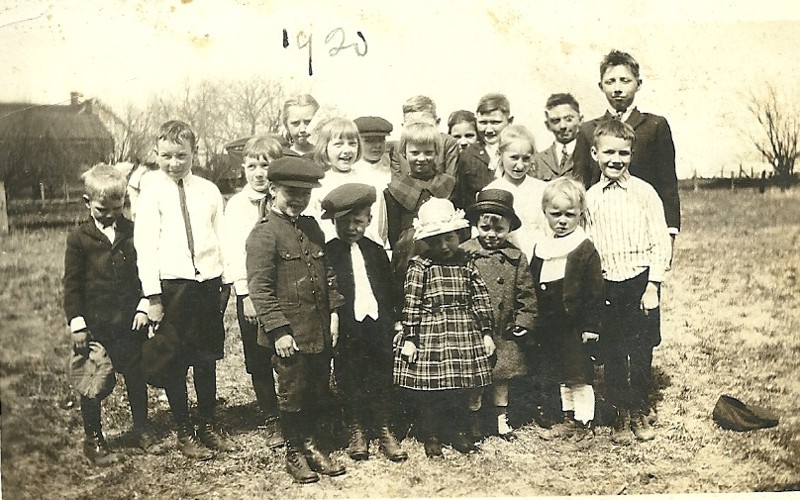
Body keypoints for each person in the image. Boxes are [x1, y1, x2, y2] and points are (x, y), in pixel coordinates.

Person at [134, 120, 233, 460]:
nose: (174, 163)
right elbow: (145, 245)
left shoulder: (208, 190)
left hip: (207, 285)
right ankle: (184, 430)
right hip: (172, 287)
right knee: (176, 360)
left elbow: (222, 238)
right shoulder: (151, 191)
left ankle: (208, 423)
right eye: (166, 156)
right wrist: (153, 297)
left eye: (181, 155)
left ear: (194, 152)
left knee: (206, 359)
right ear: (156, 154)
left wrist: (226, 282)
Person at [246, 157, 346, 484]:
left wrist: (333, 313)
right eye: (291, 192)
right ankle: (294, 451)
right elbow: (259, 289)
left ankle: (313, 444)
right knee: (292, 392)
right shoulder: (264, 235)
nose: (298, 199)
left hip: (318, 328)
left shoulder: (312, 227)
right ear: (273, 190)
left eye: (305, 194)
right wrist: (278, 331)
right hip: (289, 334)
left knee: (317, 387)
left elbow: (328, 274)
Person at [584, 120, 672, 445]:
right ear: (595, 153)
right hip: (608, 284)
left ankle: (639, 406)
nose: (615, 159)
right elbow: (589, 247)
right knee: (614, 352)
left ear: (632, 155)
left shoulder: (645, 193)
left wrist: (653, 286)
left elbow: (660, 241)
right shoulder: (590, 199)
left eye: (623, 153)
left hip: (639, 282)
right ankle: (621, 411)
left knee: (641, 351)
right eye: (608, 152)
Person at [63, 163, 153, 465]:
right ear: (88, 203)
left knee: (135, 374)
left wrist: (144, 305)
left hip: (130, 321)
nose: (111, 214)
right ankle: (94, 438)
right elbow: (72, 284)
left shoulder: (132, 231)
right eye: (103, 209)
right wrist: (77, 323)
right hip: (97, 325)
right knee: (93, 379)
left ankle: (141, 428)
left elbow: (145, 273)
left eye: (118, 206)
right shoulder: (79, 239)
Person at [394, 198, 496, 458]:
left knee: (460, 387)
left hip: (463, 332)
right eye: (436, 241)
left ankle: (457, 430)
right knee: (433, 391)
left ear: (459, 235)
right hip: (432, 333)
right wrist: (410, 337)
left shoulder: (466, 263)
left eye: (449, 238)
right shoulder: (421, 266)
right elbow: (412, 303)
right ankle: (432, 434)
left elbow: (480, 298)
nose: (443, 246)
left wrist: (485, 332)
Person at [322, 183, 408, 463]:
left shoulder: (375, 250)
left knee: (381, 373)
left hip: (377, 323)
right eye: (343, 222)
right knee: (349, 374)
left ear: (369, 220)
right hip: (349, 326)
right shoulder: (329, 252)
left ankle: (383, 427)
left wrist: (395, 321)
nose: (350, 228)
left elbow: (389, 287)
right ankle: (357, 428)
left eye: (357, 222)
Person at [572, 49, 680, 242]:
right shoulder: (588, 130)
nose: (617, 88)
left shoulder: (655, 126)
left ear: (638, 84)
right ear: (600, 86)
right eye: (610, 82)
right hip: (601, 226)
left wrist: (670, 231)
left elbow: (667, 184)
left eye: (625, 80)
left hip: (643, 224)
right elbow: (580, 184)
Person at [531, 178, 604, 447]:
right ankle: (569, 417)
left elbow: (595, 291)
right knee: (562, 373)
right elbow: (534, 281)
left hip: (574, 324)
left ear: (580, 214)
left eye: (569, 215)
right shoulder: (542, 246)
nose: (562, 221)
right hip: (551, 325)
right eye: (556, 214)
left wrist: (591, 326)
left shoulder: (583, 248)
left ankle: (585, 422)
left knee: (579, 375)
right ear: (546, 213)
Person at [222, 135, 284, 449]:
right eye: (252, 166)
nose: (258, 173)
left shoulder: (283, 200)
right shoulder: (235, 206)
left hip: (284, 287)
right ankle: (271, 415)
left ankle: (292, 411)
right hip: (252, 292)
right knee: (258, 357)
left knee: (286, 351)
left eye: (266, 166)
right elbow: (232, 252)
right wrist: (244, 294)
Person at [461, 189, 536, 440]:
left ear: (509, 229)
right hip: (474, 329)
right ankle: (474, 419)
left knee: (502, 377)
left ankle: (501, 420)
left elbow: (526, 293)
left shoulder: (516, 258)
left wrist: (524, 320)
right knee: (475, 377)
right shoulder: (465, 255)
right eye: (485, 229)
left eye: (499, 230)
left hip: (505, 329)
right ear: (476, 225)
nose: (491, 235)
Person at [384, 121, 444, 285]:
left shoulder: (448, 184)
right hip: (408, 258)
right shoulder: (394, 190)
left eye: (428, 152)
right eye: (415, 152)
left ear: (437, 152)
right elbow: (393, 233)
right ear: (404, 152)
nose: (422, 158)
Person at [484, 125, 548, 259]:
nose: (520, 165)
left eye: (526, 158)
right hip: (505, 260)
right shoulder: (490, 191)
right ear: (499, 155)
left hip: (540, 258)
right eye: (514, 157)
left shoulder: (542, 189)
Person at [389, 95, 460, 201]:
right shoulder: (398, 147)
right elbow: (396, 184)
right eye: (412, 125)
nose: (419, 129)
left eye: (425, 124)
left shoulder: (448, 143)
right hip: (407, 200)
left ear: (437, 122)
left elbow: (450, 181)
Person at [452, 93, 514, 209]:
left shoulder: (517, 151)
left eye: (495, 122)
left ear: (509, 121)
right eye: (483, 123)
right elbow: (461, 197)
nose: (489, 130)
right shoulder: (468, 155)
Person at [533, 93, 583, 181]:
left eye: (568, 119)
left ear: (580, 120)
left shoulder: (589, 156)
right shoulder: (538, 160)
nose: (563, 126)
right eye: (556, 121)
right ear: (548, 125)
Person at [354, 115, 394, 190]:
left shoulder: (393, 167)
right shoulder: (349, 170)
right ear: (356, 142)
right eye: (369, 141)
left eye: (381, 140)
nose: (377, 145)